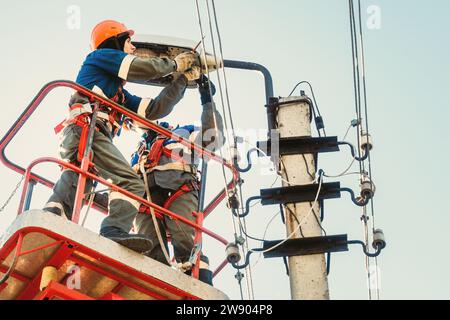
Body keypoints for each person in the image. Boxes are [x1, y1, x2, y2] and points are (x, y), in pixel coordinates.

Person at [43, 20, 201, 254]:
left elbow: (153, 110)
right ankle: (113, 228)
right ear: (114, 41)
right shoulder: (100, 57)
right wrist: (176, 64)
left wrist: (182, 81)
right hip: (87, 129)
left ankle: (54, 219)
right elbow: (141, 67)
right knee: (129, 182)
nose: (134, 48)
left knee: (79, 177)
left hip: (87, 136)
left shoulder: (117, 94)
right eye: (129, 42)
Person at [130, 75, 223, 284]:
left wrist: (207, 100)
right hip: (145, 196)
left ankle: (199, 284)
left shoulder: (185, 133)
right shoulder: (140, 147)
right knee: (148, 245)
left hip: (179, 189)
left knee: (186, 242)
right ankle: (155, 286)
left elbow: (213, 139)